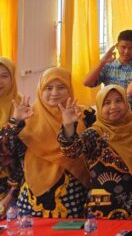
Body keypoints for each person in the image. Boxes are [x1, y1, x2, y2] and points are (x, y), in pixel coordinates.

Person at [0, 68, 90, 217]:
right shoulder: (27, 116)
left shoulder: (84, 115)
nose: (54, 93)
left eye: (61, 87)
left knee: (71, 232)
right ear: (40, 90)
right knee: (31, 232)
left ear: (70, 89)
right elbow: (5, 152)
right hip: (32, 200)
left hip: (72, 196)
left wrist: (69, 126)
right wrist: (15, 122)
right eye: (48, 88)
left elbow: (81, 153)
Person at [58, 85, 132, 218]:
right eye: (107, 103)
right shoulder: (95, 133)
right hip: (104, 210)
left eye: (118, 100)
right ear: (99, 107)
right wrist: (68, 126)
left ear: (126, 102)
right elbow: (72, 151)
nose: (113, 106)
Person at [83, 29, 132, 113]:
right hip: (109, 110)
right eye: (123, 47)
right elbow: (87, 83)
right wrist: (102, 62)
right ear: (117, 46)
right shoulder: (107, 65)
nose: (126, 52)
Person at [0, 57, 21, 215]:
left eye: (4, 76)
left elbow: (24, 156)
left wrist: (10, 195)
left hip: (13, 185)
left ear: (12, 78)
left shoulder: (20, 107)